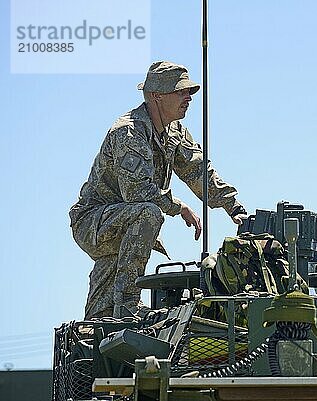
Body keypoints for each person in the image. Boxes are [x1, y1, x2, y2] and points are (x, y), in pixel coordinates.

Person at [70, 61, 246, 320]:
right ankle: (129, 304)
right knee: (149, 214)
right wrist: (180, 208)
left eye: (190, 93)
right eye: (181, 92)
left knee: (103, 308)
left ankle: (98, 327)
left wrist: (235, 209)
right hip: (93, 222)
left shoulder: (174, 132)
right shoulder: (128, 132)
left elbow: (199, 172)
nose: (188, 98)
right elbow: (138, 192)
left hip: (122, 226)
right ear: (156, 96)